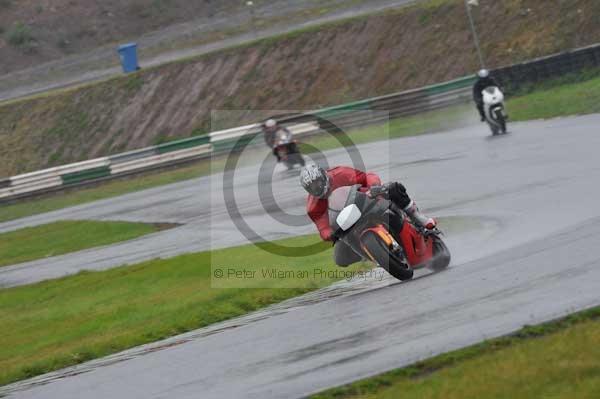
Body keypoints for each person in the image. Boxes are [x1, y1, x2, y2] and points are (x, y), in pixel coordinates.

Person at [300, 164, 436, 267]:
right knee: (339, 258)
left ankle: (418, 217)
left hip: (365, 200)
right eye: (312, 187)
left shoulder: (340, 173)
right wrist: (329, 234)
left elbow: (367, 177)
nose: (316, 188)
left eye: (317, 182)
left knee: (393, 188)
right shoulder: (313, 207)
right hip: (346, 223)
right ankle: (373, 255)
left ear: (324, 176)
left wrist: (374, 187)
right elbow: (322, 227)